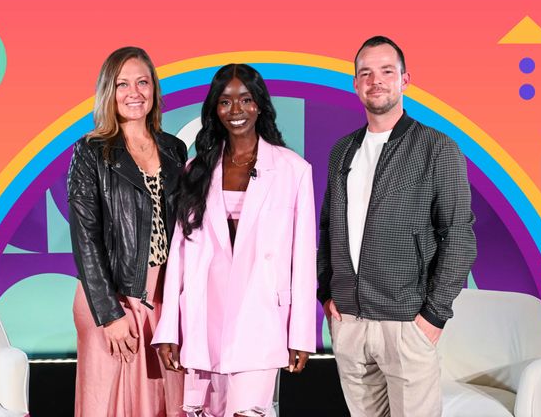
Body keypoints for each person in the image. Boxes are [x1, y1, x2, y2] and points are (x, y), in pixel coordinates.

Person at [317, 36, 477, 416]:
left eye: (387, 71)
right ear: (355, 84)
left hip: (407, 322)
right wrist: (326, 291)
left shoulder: (437, 147)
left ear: (405, 80)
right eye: (366, 73)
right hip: (350, 323)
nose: (376, 81)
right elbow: (327, 227)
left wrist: (433, 316)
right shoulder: (343, 150)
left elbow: (458, 235)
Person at [152, 63, 316, 417]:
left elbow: (303, 261)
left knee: (249, 412)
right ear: (215, 109)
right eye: (225, 102)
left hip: (260, 317)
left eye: (245, 100)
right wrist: (170, 329)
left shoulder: (293, 170)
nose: (236, 110)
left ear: (259, 105)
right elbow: (178, 256)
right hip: (203, 314)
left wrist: (301, 335)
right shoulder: (194, 170)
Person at [68, 46, 186, 417]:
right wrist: (109, 313)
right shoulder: (91, 152)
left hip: (166, 295)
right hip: (113, 294)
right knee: (113, 404)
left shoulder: (175, 149)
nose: (134, 92)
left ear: (154, 89)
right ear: (109, 91)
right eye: (122, 84)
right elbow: (85, 238)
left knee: (171, 399)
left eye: (142, 82)